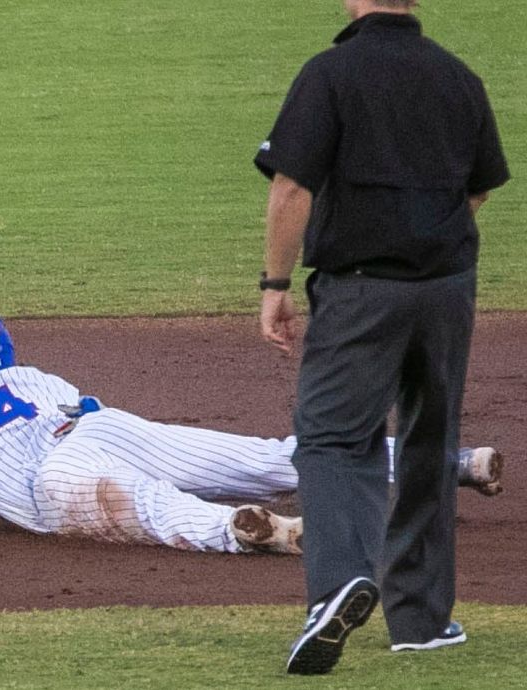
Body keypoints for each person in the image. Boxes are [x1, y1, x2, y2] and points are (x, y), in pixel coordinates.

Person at [0, 307, 504, 555]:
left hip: (56, 478)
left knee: (152, 511)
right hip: (105, 425)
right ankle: (452, 460)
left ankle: (257, 534)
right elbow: (46, 435)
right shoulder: (38, 378)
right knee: (272, 457)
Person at [254, 0, 510, 675]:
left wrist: (274, 285)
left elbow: (289, 189)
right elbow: (479, 188)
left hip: (363, 289)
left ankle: (337, 582)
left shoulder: (331, 72)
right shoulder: (458, 76)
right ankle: (422, 621)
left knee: (334, 435)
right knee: (432, 439)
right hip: (448, 286)